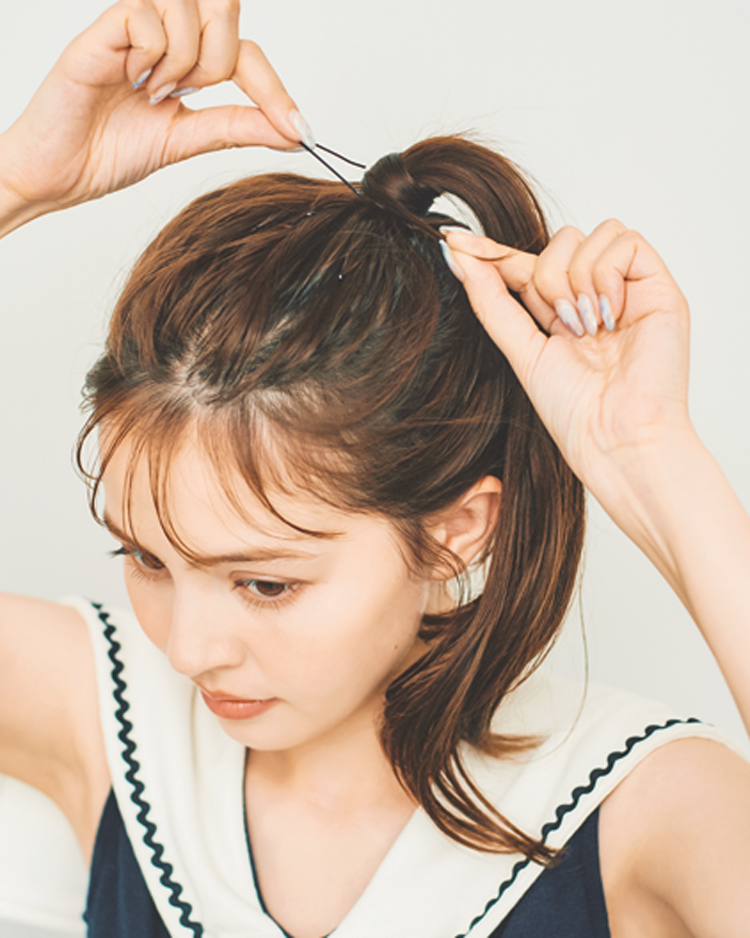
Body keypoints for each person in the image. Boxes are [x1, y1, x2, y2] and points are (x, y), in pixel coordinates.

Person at [1, 2, 749, 937]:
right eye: (148, 559)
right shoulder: (111, 715)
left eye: (265, 583)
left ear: (455, 531)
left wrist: (650, 457)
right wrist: (16, 182)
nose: (188, 648)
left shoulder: (644, 810)